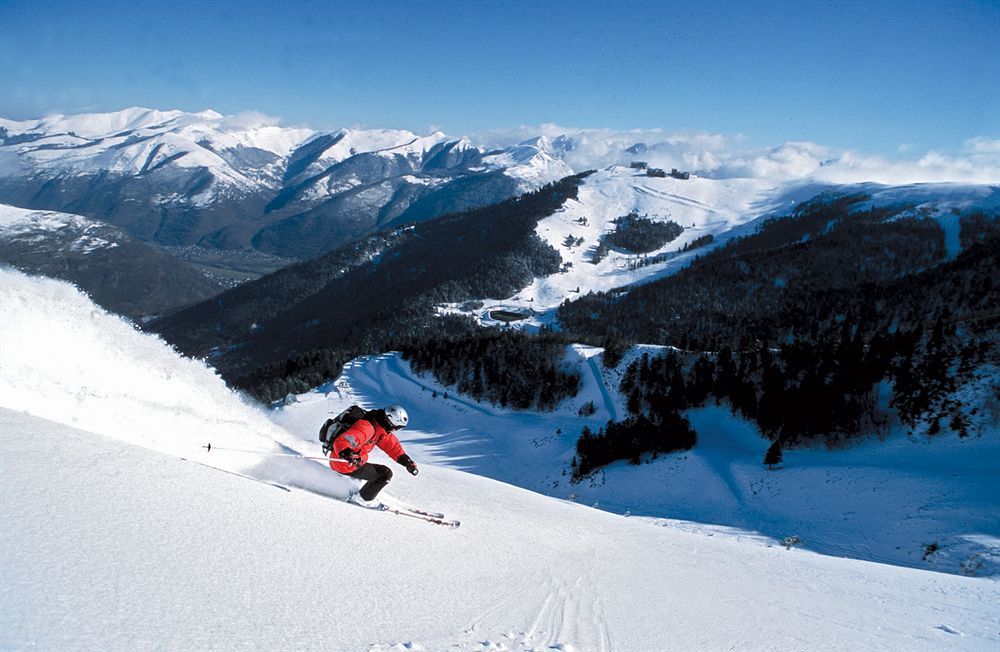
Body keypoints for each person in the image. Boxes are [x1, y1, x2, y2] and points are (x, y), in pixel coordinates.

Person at [328, 404, 418, 507]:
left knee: (380, 471)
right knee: (384, 474)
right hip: (344, 463)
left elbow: (393, 447)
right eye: (397, 428)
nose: (395, 430)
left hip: (351, 462)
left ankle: (354, 489)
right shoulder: (368, 427)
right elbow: (345, 440)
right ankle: (362, 499)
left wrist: (407, 462)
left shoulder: (379, 428)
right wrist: (347, 453)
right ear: (391, 422)